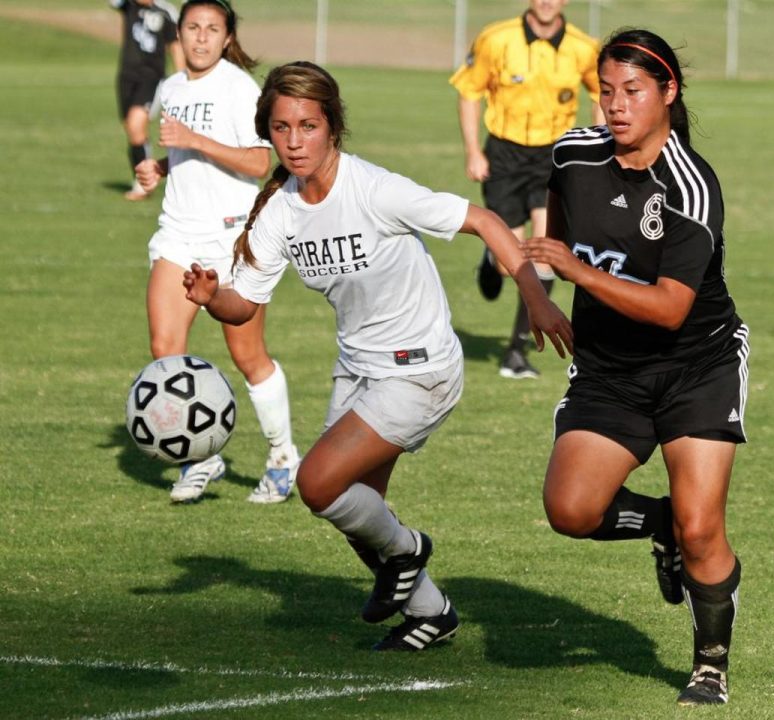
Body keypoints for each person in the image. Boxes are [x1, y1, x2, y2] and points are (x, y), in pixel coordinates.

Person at [181, 61, 573, 649]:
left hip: (420, 369)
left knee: (318, 484)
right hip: (359, 369)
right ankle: (432, 614)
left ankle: (412, 551)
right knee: (361, 511)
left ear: (332, 127)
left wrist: (537, 299)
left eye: (308, 126)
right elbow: (244, 306)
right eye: (282, 127)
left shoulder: (375, 189)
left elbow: (486, 221)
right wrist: (214, 297)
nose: (294, 141)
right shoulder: (281, 211)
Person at [523, 29, 750, 706]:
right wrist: (539, 295)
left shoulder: (690, 186)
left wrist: (574, 271)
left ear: (668, 93)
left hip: (696, 365)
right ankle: (660, 526)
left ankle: (710, 662)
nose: (616, 106)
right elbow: (550, 239)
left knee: (704, 526)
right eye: (607, 91)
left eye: (634, 91)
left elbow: (670, 310)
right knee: (570, 509)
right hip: (608, 370)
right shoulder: (573, 152)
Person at [134, 0, 301, 505]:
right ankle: (199, 455)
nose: (201, 38)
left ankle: (282, 456)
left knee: (247, 354)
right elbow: (188, 152)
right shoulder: (172, 87)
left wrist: (192, 140)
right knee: (165, 349)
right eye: (192, 28)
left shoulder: (238, 88)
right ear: (179, 33)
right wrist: (162, 167)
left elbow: (257, 161)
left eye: (212, 29)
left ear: (227, 37)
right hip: (179, 235)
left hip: (233, 239)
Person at [449, 0, 602, 379]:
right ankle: (491, 258)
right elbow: (469, 91)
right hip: (504, 155)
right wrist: (472, 151)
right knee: (508, 263)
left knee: (545, 253)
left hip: (554, 156)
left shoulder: (584, 48)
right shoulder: (496, 39)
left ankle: (516, 351)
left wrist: (599, 151)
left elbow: (601, 94)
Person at [110, 0, 185, 200]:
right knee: (133, 131)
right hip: (126, 77)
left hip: (151, 78)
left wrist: (182, 82)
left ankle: (143, 185)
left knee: (135, 125)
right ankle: (143, 175)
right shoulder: (128, 5)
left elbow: (175, 47)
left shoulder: (165, 12)